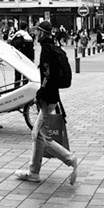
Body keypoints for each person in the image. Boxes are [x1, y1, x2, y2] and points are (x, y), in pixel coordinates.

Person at [15, 23, 78, 183]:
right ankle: (33, 172)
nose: (35, 32)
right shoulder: (52, 48)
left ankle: (70, 159)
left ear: (42, 33)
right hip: (52, 96)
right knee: (38, 136)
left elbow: (47, 76)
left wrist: (40, 93)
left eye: (37, 30)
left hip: (48, 98)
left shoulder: (46, 51)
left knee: (41, 136)